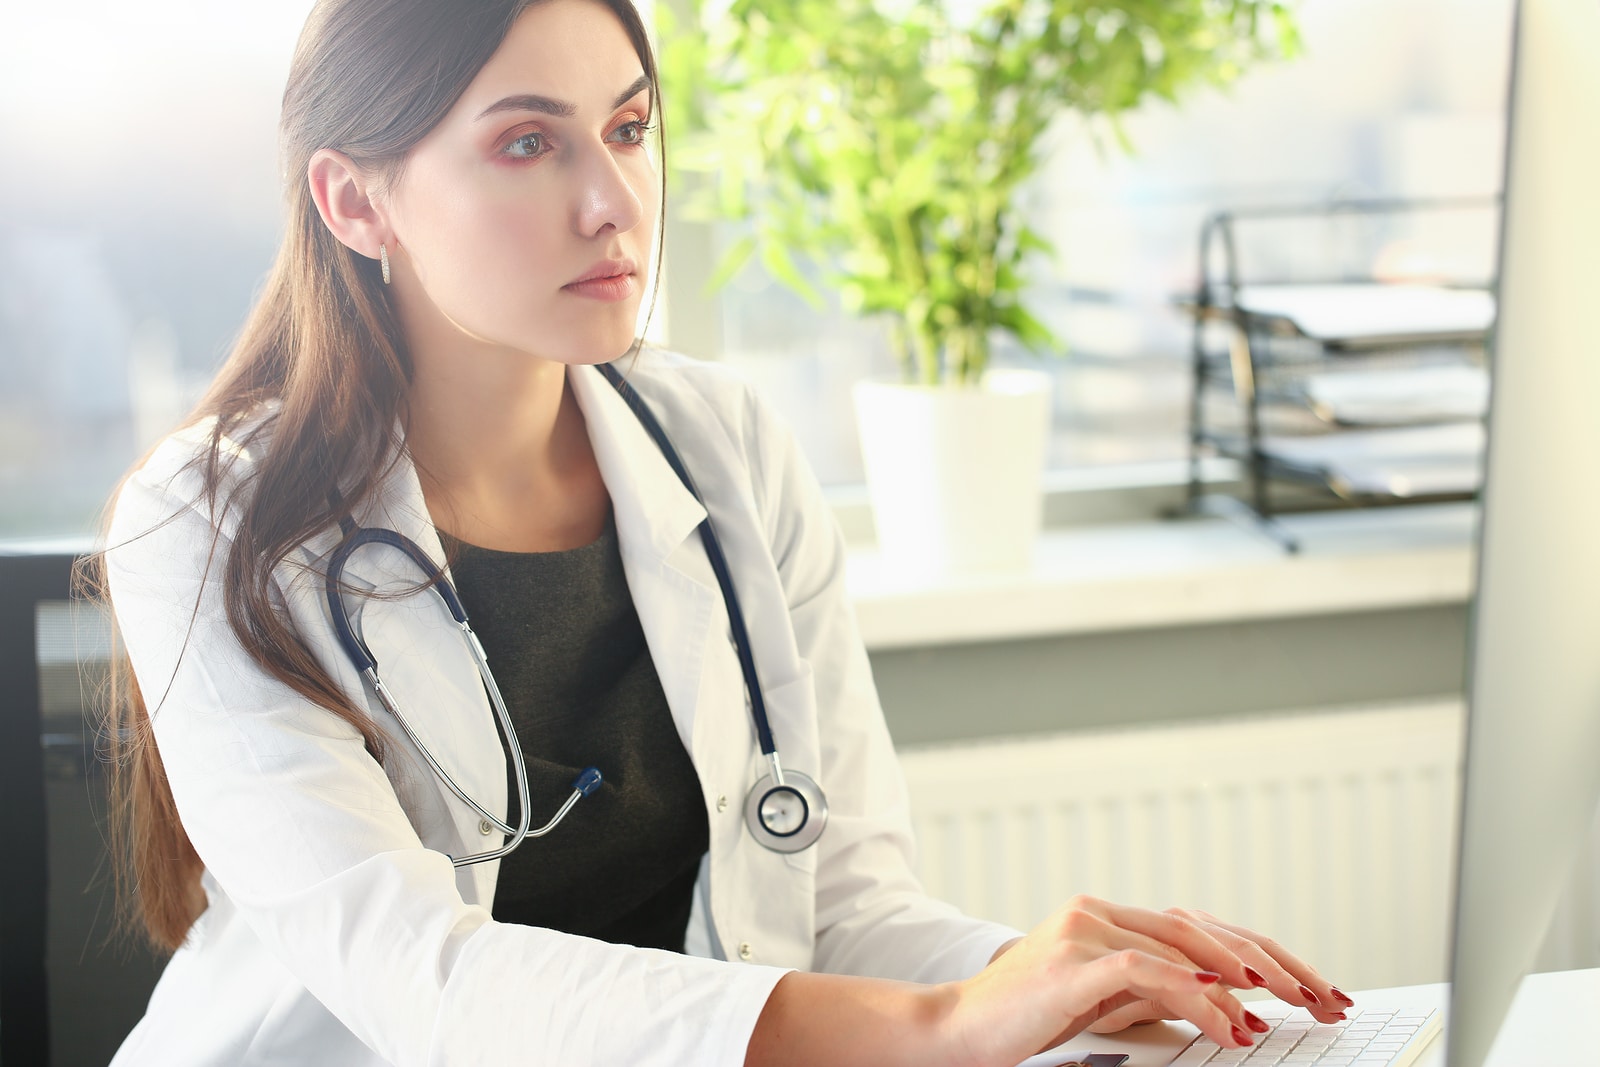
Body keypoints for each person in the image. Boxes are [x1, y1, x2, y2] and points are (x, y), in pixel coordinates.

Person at [90, 0, 1356, 1063]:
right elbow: (423, 979)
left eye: (629, 128)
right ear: (355, 203)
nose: (612, 202)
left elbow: (846, 905)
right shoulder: (207, 521)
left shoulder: (724, 440)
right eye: (527, 143)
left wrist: (1051, 984)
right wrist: (944, 1020)